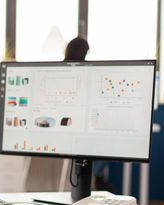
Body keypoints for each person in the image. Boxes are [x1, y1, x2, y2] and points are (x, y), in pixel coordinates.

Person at [25, 37, 114, 193]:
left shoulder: (52, 73)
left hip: (50, 135)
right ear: (84, 53)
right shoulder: (85, 74)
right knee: (104, 147)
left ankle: (95, 179)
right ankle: (94, 178)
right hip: (71, 136)